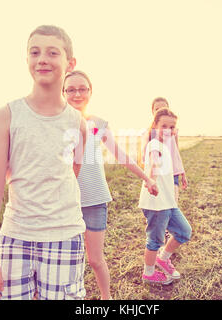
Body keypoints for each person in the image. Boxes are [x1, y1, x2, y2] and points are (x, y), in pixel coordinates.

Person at [0, 25, 88, 300]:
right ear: (27, 59)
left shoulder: (78, 123)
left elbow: (72, 172)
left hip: (64, 236)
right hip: (16, 237)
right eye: (35, 52)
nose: (42, 59)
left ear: (70, 63)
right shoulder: (7, 115)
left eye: (52, 52)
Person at [63, 70, 158, 299]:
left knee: (95, 259)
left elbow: (120, 154)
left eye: (82, 89)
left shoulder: (96, 124)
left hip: (94, 199)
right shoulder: (56, 122)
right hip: (64, 202)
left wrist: (147, 178)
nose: (77, 94)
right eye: (71, 89)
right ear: (63, 92)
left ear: (90, 92)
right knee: (68, 260)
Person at [138, 107, 192, 285]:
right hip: (156, 203)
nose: (168, 130)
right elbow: (154, 162)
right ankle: (149, 273)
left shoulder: (163, 145)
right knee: (155, 240)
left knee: (184, 231)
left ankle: (163, 259)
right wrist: (151, 180)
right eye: (164, 126)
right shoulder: (154, 145)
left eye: (172, 127)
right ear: (155, 125)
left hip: (168, 202)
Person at [141, 97, 187, 203]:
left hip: (173, 173)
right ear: (152, 112)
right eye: (157, 109)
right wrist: (150, 177)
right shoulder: (147, 133)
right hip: (158, 175)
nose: (160, 110)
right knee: (157, 206)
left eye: (163, 108)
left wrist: (182, 172)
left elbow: (176, 152)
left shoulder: (173, 131)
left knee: (172, 205)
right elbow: (145, 157)